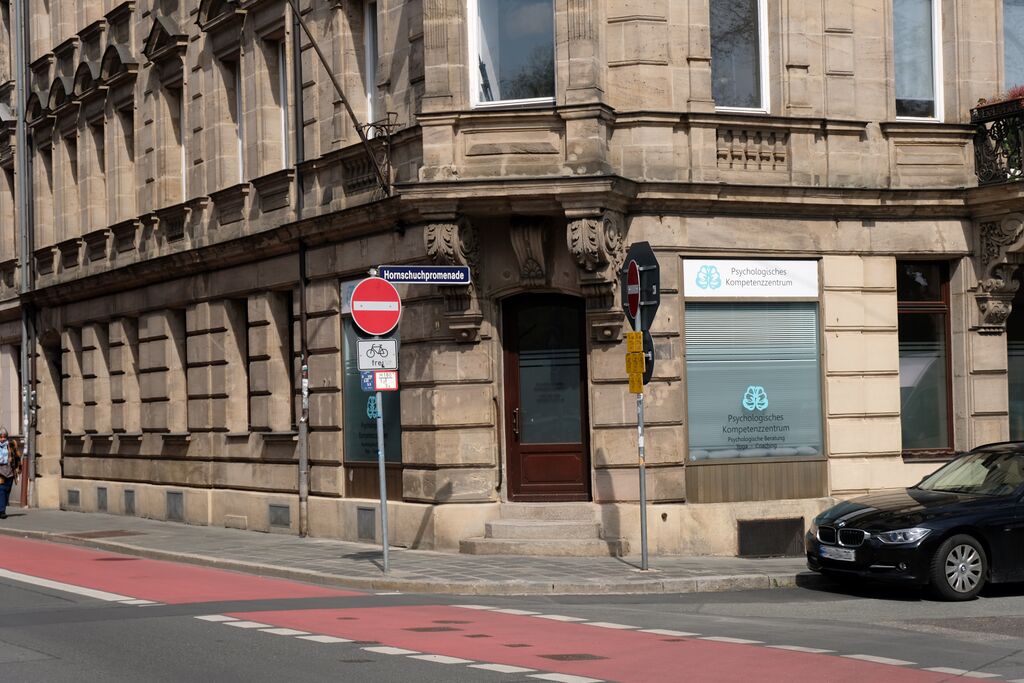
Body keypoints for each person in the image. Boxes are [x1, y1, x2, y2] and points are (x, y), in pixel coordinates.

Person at [0, 428, 21, 519]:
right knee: (1, 490)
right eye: (0, 437)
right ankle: (2, 511)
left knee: (7, 491)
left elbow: (17, 457)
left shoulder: (11, 445)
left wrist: (18, 468)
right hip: (0, 472)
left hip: (10, 472)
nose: (2, 439)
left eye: (4, 437)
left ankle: (2, 508)